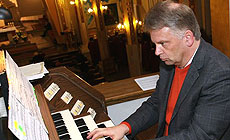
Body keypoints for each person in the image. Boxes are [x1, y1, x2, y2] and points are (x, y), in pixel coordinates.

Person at [87, 1, 230, 140]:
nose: (156, 52)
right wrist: (124, 127)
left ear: (188, 38)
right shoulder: (169, 62)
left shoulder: (219, 74)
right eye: (155, 44)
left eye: (162, 43)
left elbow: (200, 135)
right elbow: (157, 103)